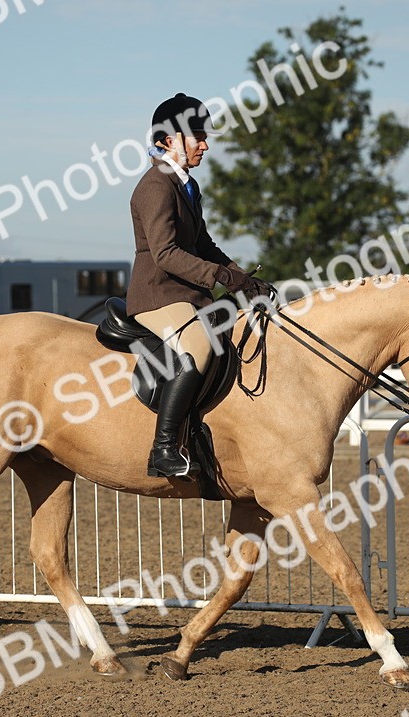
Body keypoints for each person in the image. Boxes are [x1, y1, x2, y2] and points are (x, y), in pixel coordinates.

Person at [127, 93, 269, 478]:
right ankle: (164, 448)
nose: (205, 144)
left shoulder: (187, 186)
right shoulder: (156, 185)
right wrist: (220, 278)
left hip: (186, 294)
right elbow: (167, 254)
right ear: (167, 140)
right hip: (158, 294)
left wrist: (242, 279)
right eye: (197, 136)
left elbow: (204, 246)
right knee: (199, 346)